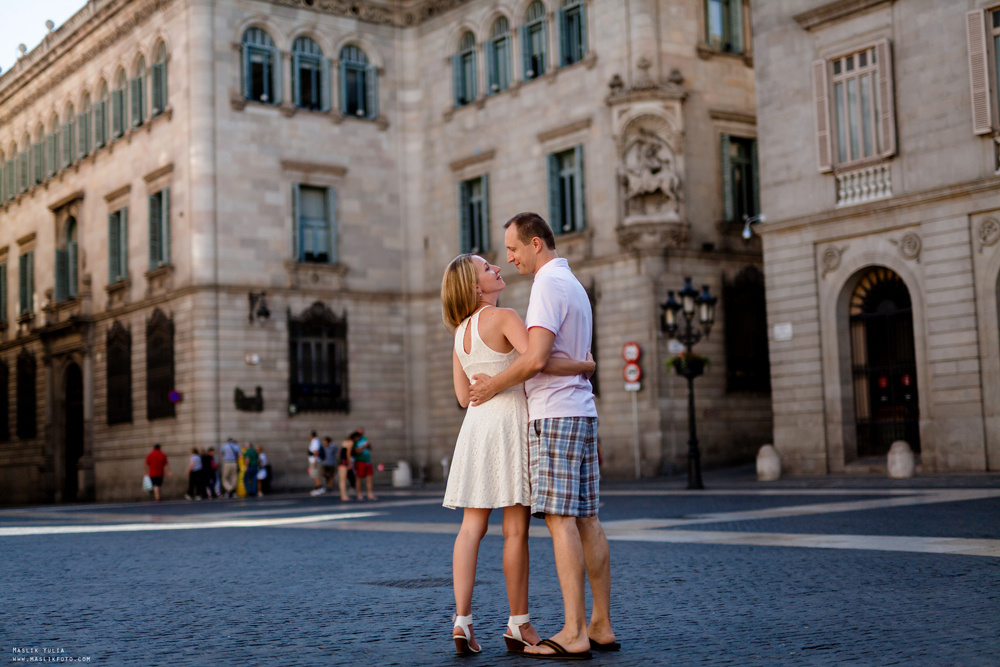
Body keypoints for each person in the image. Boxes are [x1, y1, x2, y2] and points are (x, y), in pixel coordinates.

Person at [469, 212, 618, 659]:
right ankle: (600, 625)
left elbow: (535, 359)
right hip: (582, 411)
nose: (509, 257)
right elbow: (558, 356)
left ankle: (574, 631)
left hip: (555, 414)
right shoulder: (573, 283)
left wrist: (493, 385)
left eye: (513, 248)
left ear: (536, 244)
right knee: (588, 519)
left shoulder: (547, 286)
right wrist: (584, 366)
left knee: (560, 520)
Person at [440, 253, 595, 655]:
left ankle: (462, 620)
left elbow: (463, 397)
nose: (497, 268)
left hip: (476, 427)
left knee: (470, 529)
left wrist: (486, 379)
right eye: (487, 268)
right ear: (475, 286)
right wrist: (583, 364)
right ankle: (518, 623)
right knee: (515, 531)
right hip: (510, 423)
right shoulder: (505, 317)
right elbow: (538, 362)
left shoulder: (460, 332)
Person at [351, 430, 376, 502]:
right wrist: (365, 446)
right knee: (359, 478)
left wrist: (369, 445)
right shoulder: (355, 441)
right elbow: (357, 451)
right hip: (359, 461)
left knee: (369, 478)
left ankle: (370, 494)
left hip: (367, 461)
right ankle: (359, 494)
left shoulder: (364, 438)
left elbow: (370, 448)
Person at [337, 433, 356, 501]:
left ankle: (343, 495)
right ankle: (344, 496)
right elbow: (348, 453)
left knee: (342, 480)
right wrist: (349, 463)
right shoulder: (350, 442)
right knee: (343, 480)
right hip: (344, 461)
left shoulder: (345, 442)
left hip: (341, 461)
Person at [308, 431, 325, 495]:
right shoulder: (315, 441)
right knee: (314, 475)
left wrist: (315, 461)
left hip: (314, 461)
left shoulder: (315, 441)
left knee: (315, 475)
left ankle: (319, 487)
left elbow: (316, 452)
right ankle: (318, 487)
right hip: (314, 461)